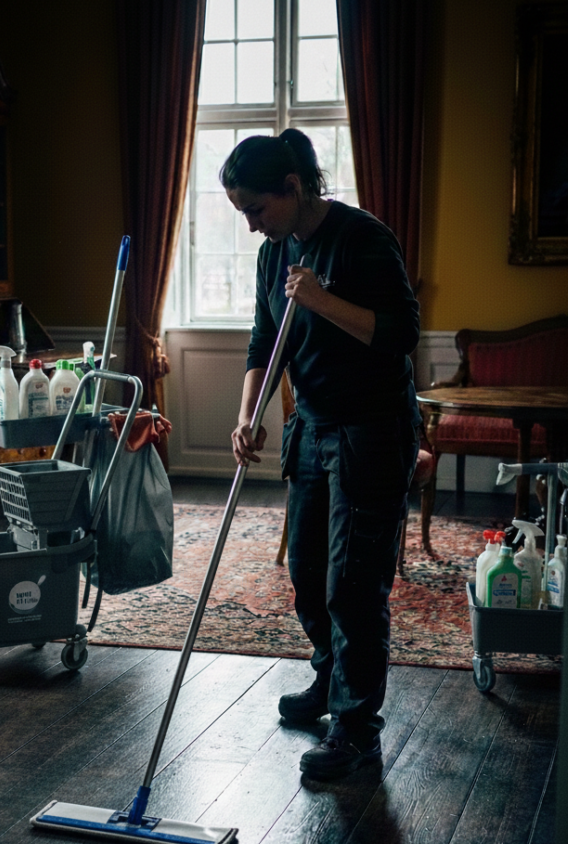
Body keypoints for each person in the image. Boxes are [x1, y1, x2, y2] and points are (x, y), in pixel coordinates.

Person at [221, 129, 421, 781]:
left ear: (293, 188)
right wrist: (247, 415)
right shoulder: (271, 257)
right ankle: (329, 677)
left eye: (257, 209)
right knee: (307, 571)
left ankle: (356, 728)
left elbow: (400, 335)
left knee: (354, 582)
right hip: (312, 424)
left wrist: (322, 300)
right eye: (243, 214)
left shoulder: (364, 239)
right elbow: (261, 346)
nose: (253, 227)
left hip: (372, 428)